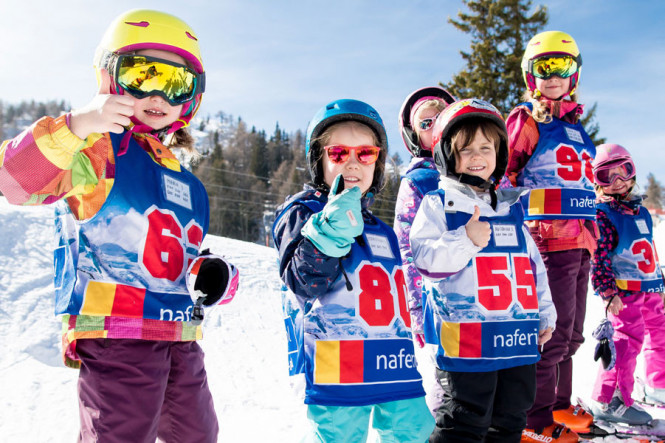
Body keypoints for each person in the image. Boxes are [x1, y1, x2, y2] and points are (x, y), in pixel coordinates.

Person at [0, 9, 239, 442]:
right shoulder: (96, 151)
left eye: (175, 83)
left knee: (199, 436)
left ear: (191, 97)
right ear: (109, 74)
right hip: (118, 333)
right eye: (141, 74)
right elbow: (13, 181)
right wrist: (76, 125)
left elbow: (182, 257)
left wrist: (214, 275)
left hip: (180, 335)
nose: (157, 93)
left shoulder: (186, 182)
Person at [272, 99, 434, 442]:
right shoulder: (303, 212)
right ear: (319, 160)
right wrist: (326, 235)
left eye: (365, 154)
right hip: (337, 366)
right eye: (338, 153)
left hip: (393, 363)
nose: (352, 162)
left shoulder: (383, 230)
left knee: (416, 430)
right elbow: (301, 282)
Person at [410, 98, 556, 443]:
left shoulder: (511, 208)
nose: (477, 156)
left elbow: (533, 267)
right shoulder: (438, 204)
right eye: (466, 149)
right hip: (468, 345)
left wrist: (545, 313)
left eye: (486, 148)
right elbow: (425, 260)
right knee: (464, 422)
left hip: (516, 340)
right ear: (446, 155)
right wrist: (464, 239)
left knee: (510, 420)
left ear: (499, 154)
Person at [504, 30, 597, 441]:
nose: (553, 75)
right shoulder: (527, 119)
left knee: (573, 335)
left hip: (581, 242)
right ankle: (534, 420)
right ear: (531, 75)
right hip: (548, 241)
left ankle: (559, 404)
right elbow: (504, 173)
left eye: (562, 66)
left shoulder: (577, 129)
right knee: (552, 334)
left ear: (574, 74)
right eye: (545, 67)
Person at [588, 143, 665, 425]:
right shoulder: (603, 214)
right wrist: (608, 292)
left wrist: (659, 283)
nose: (618, 180)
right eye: (607, 175)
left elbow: (648, 251)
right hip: (624, 293)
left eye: (623, 171)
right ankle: (609, 400)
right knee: (625, 343)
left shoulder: (640, 211)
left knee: (660, 334)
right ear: (597, 181)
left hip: (650, 288)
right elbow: (598, 257)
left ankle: (657, 384)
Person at [394, 86, 456, 415]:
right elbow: (407, 248)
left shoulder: (477, 169)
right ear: (414, 135)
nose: (435, 127)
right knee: (444, 378)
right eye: (426, 123)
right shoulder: (417, 181)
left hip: (484, 295)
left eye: (441, 118)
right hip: (437, 301)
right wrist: (416, 309)